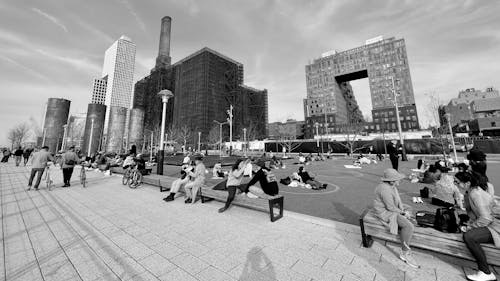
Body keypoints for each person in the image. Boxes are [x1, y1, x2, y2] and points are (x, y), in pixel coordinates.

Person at [458, 171, 500, 281]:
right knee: (469, 234)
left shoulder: (475, 194)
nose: (456, 184)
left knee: (469, 237)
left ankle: (485, 272)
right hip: (492, 223)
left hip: (495, 226)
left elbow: (486, 218)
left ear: (467, 183)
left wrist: (469, 228)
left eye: (457, 182)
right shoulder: (471, 192)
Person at [373, 168, 419, 268]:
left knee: (408, 208)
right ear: (392, 180)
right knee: (409, 227)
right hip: (384, 212)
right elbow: (390, 207)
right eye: (398, 179)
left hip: (390, 208)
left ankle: (404, 227)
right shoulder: (385, 189)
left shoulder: (391, 186)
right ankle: (405, 253)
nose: (400, 180)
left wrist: (403, 211)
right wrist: (403, 213)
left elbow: (397, 202)